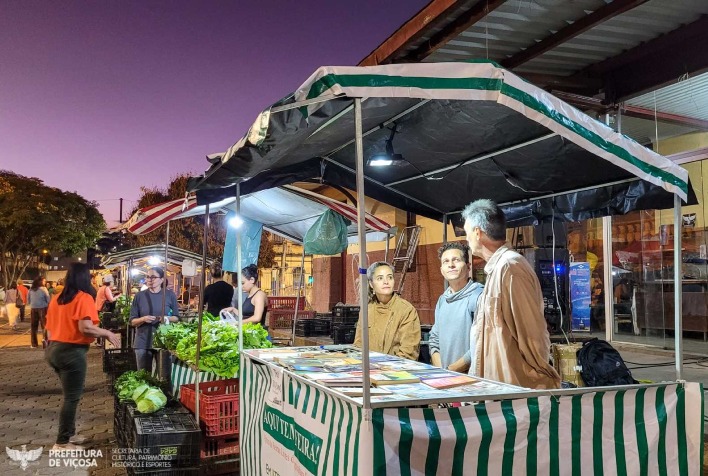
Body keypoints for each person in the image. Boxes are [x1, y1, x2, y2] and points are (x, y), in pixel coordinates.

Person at [463, 199, 560, 389]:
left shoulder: (510, 267)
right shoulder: (498, 269)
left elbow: (533, 334)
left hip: (514, 392)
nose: (466, 241)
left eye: (467, 234)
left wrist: (537, 378)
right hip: (497, 389)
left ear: (477, 232)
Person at [45, 262, 120, 450]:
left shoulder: (57, 298)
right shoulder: (84, 297)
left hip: (54, 350)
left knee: (69, 395)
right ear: (85, 278)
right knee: (71, 398)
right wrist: (107, 333)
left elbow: (47, 330)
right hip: (72, 352)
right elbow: (85, 328)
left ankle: (69, 435)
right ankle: (62, 443)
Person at [429, 242, 483, 372]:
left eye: (456, 260)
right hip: (446, 377)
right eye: (446, 261)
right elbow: (434, 340)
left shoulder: (479, 296)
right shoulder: (442, 300)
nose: (451, 265)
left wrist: (452, 370)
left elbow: (481, 343)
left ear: (468, 266)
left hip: (471, 379)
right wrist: (442, 371)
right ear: (442, 270)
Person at [354, 261, 421, 360]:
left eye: (390, 277)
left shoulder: (406, 310)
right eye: (380, 278)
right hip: (369, 369)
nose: (386, 281)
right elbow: (358, 346)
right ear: (371, 284)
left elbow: (408, 352)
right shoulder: (367, 310)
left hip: (396, 370)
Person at [129, 267, 178, 372]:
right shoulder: (139, 296)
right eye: (148, 277)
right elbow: (132, 321)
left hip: (164, 342)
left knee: (164, 377)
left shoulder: (170, 295)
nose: (150, 280)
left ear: (162, 279)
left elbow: (176, 317)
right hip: (143, 342)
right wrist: (143, 319)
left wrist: (166, 318)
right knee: (144, 377)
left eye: (153, 277)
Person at [28, 276, 51, 348]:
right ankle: (45, 342)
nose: (45, 282)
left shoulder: (31, 290)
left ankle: (34, 344)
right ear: (40, 282)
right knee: (44, 326)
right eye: (44, 281)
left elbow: (28, 299)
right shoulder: (44, 289)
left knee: (33, 326)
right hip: (42, 308)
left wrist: (32, 304)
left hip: (33, 308)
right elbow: (48, 299)